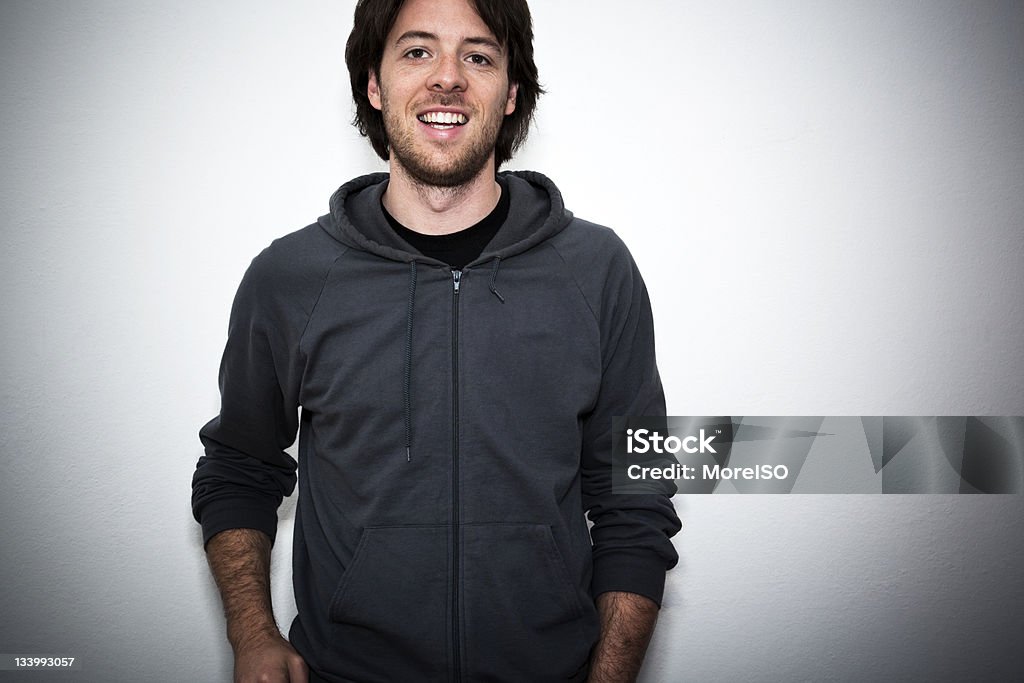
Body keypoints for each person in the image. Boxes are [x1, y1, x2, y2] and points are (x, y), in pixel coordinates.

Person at [191, 0, 681, 681]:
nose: (447, 78)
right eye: (417, 51)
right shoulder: (290, 278)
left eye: (477, 56)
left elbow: (638, 492)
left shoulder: (598, 270)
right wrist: (252, 634)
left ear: (511, 93)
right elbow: (238, 469)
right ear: (373, 83)